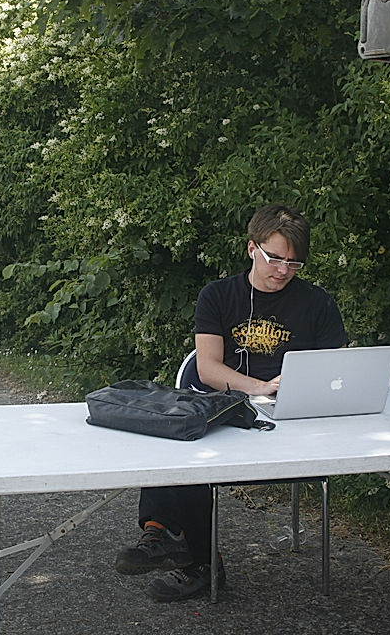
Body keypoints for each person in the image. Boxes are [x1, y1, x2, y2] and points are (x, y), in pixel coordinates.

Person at [115, 203, 347, 601]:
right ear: (251, 248)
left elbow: (337, 371)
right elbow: (207, 369)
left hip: (292, 423)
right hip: (227, 406)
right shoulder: (218, 296)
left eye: (294, 264)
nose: (282, 271)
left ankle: (182, 550)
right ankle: (168, 538)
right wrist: (260, 387)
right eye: (275, 258)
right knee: (177, 444)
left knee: (188, 452)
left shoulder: (317, 303)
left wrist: (297, 391)